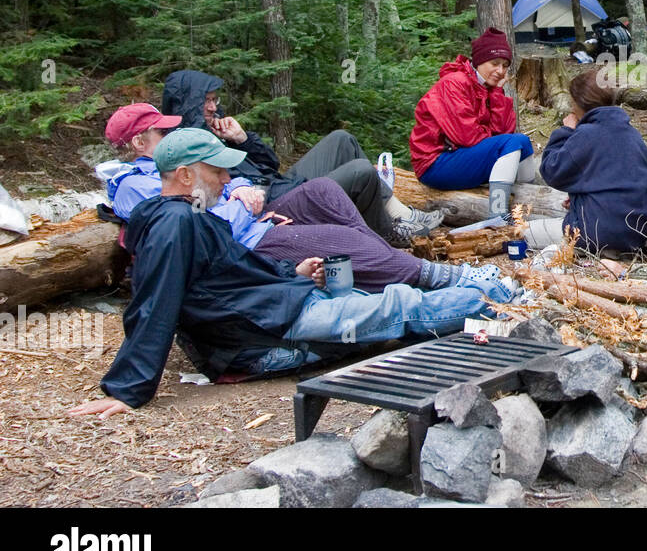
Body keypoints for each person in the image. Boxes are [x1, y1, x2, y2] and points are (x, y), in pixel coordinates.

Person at [68, 130, 519, 418]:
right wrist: (127, 389)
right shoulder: (174, 224)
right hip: (265, 337)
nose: (228, 177)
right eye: (217, 169)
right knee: (396, 309)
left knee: (383, 314)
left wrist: (292, 272)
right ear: (185, 175)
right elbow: (154, 304)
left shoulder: (187, 214)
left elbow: (234, 272)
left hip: (278, 308)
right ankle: (498, 298)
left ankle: (493, 306)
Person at [104, 119, 468, 293]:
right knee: (341, 232)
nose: (171, 130)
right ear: (138, 141)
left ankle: (382, 260)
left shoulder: (193, 157)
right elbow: (206, 224)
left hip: (261, 209)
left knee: (326, 191)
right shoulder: (143, 185)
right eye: (161, 131)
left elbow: (252, 170)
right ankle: (420, 272)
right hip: (248, 237)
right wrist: (246, 205)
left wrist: (244, 164)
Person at [161, 70, 439, 242]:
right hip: (273, 204)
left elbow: (271, 165)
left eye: (214, 100)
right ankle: (388, 233)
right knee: (360, 172)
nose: (213, 107)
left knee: (342, 140)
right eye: (206, 101)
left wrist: (243, 139)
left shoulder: (217, 130)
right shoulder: (187, 146)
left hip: (281, 182)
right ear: (190, 103)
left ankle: (401, 214)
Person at [524, 69, 647, 254]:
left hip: (595, 235)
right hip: (636, 235)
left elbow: (551, 170)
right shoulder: (634, 135)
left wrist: (566, 131)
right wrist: (580, 198)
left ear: (581, 103)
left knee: (521, 232)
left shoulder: (586, 134)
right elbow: (626, 179)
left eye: (572, 101)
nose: (571, 107)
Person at [409, 28, 538, 216]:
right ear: (479, 61)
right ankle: (498, 215)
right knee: (513, 142)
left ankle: (529, 204)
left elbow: (503, 131)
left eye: (505, 65)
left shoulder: (487, 87)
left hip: (460, 156)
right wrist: (496, 143)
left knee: (523, 143)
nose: (500, 71)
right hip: (435, 164)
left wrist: (496, 95)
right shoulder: (454, 83)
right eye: (494, 63)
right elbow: (467, 137)